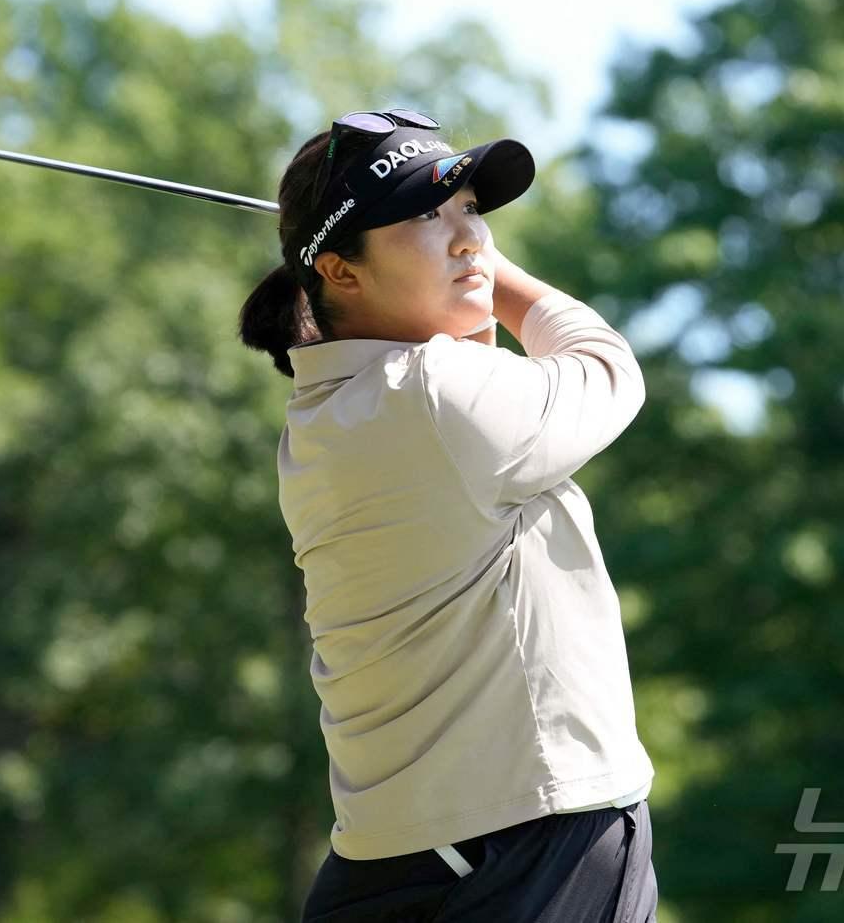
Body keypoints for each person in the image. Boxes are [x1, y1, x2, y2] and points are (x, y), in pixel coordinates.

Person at [239, 108, 658, 923]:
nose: (470, 235)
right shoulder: (436, 396)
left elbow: (453, 358)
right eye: (425, 216)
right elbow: (610, 368)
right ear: (340, 271)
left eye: (470, 207)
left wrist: (449, 263)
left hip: (393, 862)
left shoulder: (324, 416)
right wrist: (492, 278)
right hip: (534, 844)